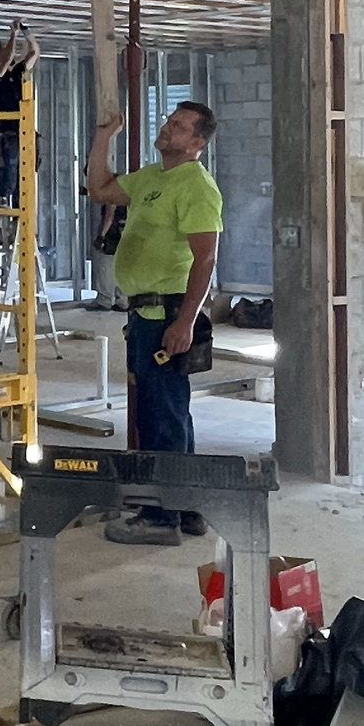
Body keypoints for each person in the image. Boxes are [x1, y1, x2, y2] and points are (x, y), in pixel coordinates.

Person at [84, 99, 222, 542]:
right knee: (168, 409)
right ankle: (186, 507)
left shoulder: (196, 186)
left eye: (179, 126)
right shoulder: (149, 178)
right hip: (145, 312)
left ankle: (160, 519)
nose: (167, 129)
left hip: (168, 313)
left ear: (197, 143)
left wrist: (185, 321)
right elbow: (99, 189)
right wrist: (105, 137)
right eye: (168, 121)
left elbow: (205, 258)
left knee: (160, 413)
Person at [0, 22, 39, 208]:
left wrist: (26, 33)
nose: (6, 50)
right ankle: (1, 198)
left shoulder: (18, 71)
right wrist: (13, 35)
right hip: (10, 132)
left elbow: (35, 52)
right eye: (1, 50)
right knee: (10, 169)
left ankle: (19, 212)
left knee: (24, 173)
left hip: (25, 130)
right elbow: (7, 59)